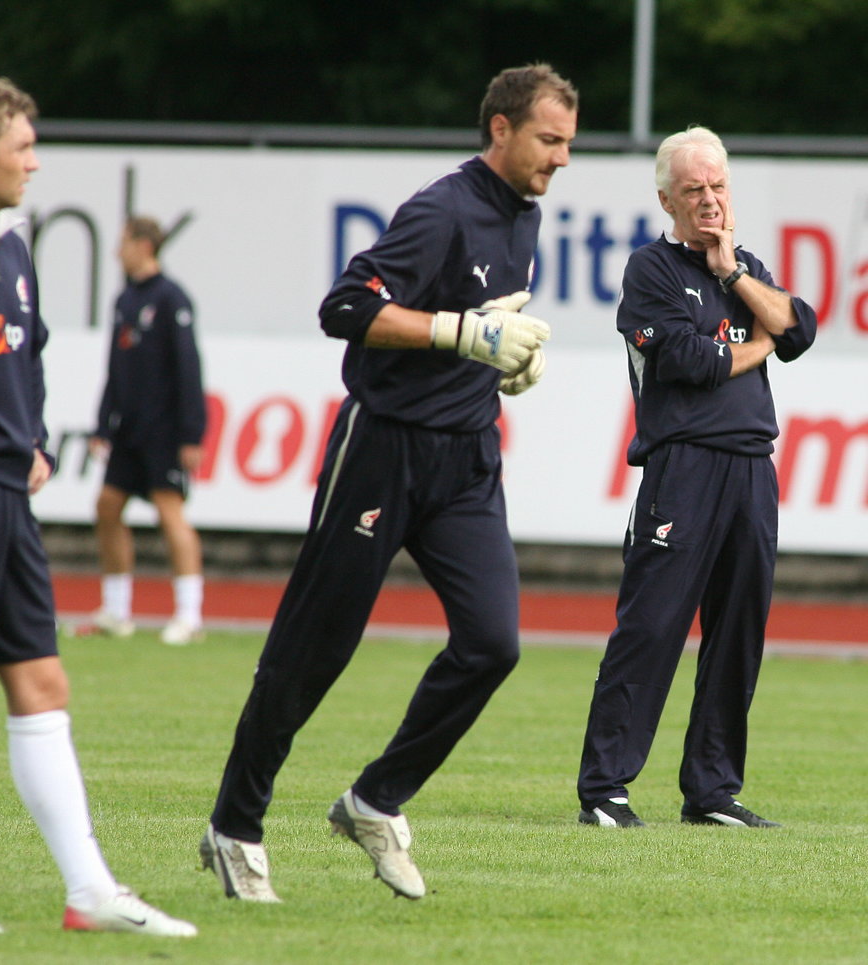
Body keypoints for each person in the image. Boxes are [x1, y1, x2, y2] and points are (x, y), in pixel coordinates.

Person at [200, 63, 578, 903]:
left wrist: (503, 362)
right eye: (549, 141)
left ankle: (375, 800)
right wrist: (460, 335)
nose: (560, 158)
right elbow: (345, 307)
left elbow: (483, 323)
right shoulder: (441, 208)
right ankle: (235, 824)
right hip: (384, 450)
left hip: (468, 458)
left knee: (494, 643)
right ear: (501, 131)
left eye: (567, 145)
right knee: (315, 648)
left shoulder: (527, 214)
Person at [0, 71, 196, 937]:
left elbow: (27, 359)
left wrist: (33, 437)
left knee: (41, 678)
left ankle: (89, 890)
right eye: (22, 147)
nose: (35, 162)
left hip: (8, 493)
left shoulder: (13, 250)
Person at [576, 126, 817, 829]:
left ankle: (711, 791)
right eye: (693, 190)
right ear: (667, 199)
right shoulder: (651, 270)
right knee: (651, 627)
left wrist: (736, 275)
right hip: (682, 468)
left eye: (717, 187)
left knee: (738, 631)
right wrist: (757, 340)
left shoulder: (744, 267)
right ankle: (605, 788)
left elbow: (797, 328)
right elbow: (692, 361)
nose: (709, 200)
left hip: (751, 469)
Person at [86, 216, 207, 646]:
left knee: (169, 512)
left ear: (143, 245)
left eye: (122, 243)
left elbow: (189, 369)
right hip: (128, 430)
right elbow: (114, 368)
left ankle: (189, 616)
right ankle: (116, 611)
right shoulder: (124, 299)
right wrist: (103, 424)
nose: (117, 251)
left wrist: (192, 434)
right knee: (106, 507)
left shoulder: (172, 298)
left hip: (165, 430)